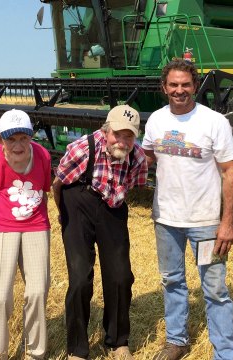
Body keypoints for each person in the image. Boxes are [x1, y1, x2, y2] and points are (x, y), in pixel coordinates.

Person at [141, 60, 233, 360]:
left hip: (206, 221)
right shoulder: (156, 120)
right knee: (172, 281)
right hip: (166, 219)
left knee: (214, 289)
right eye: (173, 85)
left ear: (195, 86)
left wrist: (227, 223)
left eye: (185, 84)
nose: (179, 90)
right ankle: (177, 341)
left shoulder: (213, 122)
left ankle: (224, 352)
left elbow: (230, 172)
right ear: (164, 87)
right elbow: (146, 158)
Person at [52, 105, 148, 360]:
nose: (123, 141)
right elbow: (58, 183)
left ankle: (118, 341)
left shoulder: (137, 157)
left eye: (130, 136)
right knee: (80, 277)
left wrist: (111, 203)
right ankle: (77, 349)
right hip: (78, 202)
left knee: (120, 276)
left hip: (113, 208)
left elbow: (133, 186)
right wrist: (64, 215)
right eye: (118, 134)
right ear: (106, 130)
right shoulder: (82, 149)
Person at [0, 109, 52, 360]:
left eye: (23, 138)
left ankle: (35, 354)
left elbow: (45, 190)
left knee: (38, 292)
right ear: (0, 140)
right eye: (10, 139)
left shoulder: (43, 156)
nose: (18, 145)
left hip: (35, 225)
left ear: (31, 137)